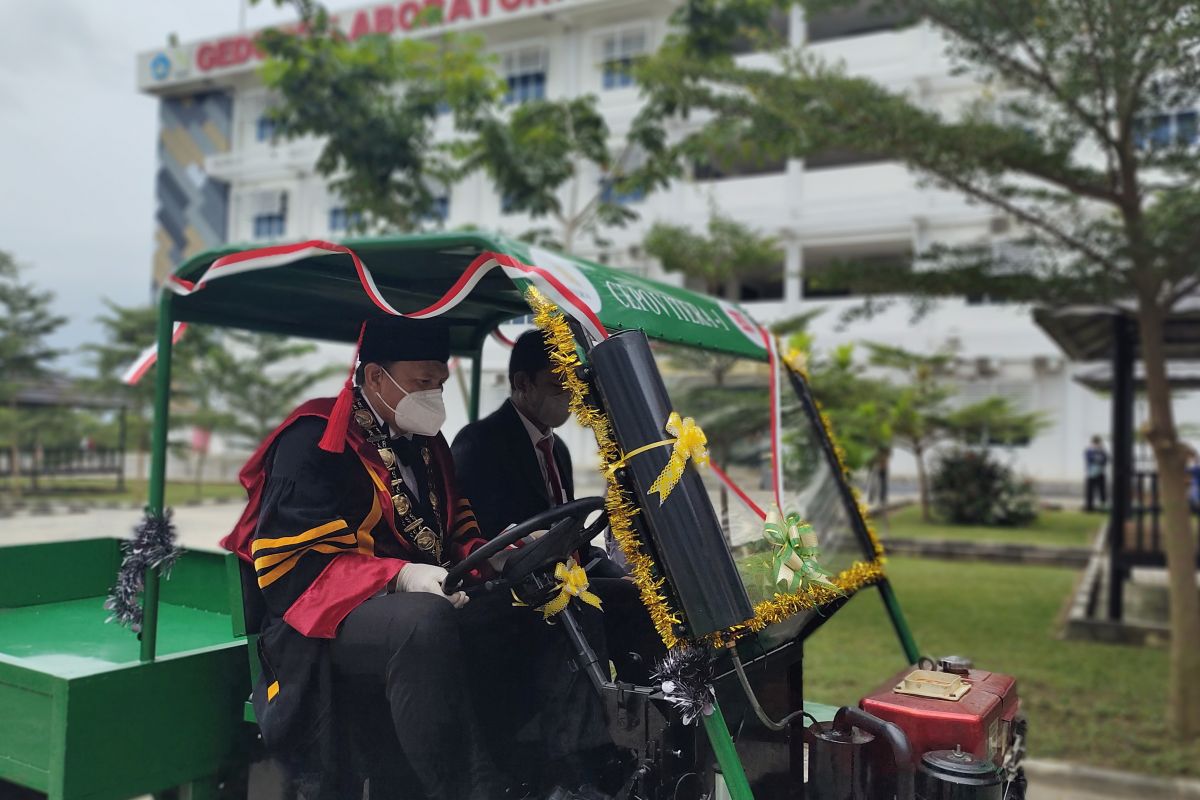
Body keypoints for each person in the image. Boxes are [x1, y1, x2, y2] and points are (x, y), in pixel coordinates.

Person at [221, 317, 611, 800]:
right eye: (421, 382)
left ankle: (552, 768)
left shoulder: (427, 442)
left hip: (416, 598)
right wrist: (398, 576)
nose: (434, 394)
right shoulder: (313, 438)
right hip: (319, 619)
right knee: (423, 623)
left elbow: (455, 534)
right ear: (375, 378)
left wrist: (498, 556)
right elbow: (292, 565)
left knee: (526, 606)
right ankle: (468, 789)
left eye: (440, 382)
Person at [453, 330, 662, 683]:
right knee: (614, 607)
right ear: (523, 383)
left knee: (647, 595)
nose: (567, 397)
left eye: (572, 387)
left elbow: (573, 536)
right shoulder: (480, 444)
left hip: (564, 574)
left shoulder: (557, 449)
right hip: (517, 588)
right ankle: (611, 721)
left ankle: (659, 701)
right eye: (556, 386)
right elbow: (483, 541)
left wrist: (614, 571)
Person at [1084, 436, 1108, 512]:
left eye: (1098, 443)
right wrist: (1098, 458)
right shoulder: (1089, 451)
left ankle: (1102, 506)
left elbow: (1105, 460)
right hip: (1091, 473)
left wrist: (1098, 456)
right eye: (1095, 443)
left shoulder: (1102, 451)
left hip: (1100, 473)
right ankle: (1089, 507)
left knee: (1102, 491)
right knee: (1090, 491)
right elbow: (1090, 459)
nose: (1097, 445)